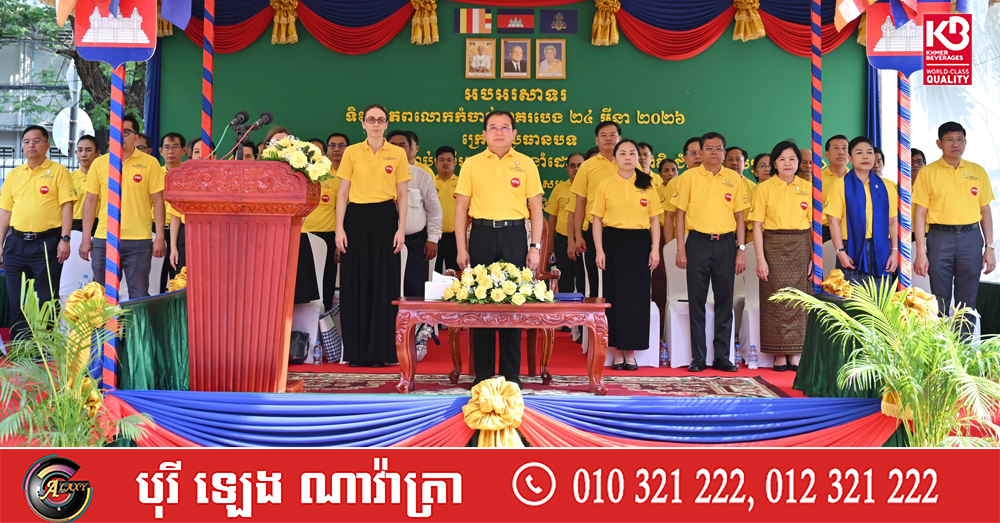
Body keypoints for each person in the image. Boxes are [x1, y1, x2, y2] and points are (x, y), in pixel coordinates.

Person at [455, 109, 543, 386]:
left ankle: (510, 374)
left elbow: (536, 209)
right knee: (480, 300)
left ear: (514, 133)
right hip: (481, 233)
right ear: (484, 134)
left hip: (515, 234)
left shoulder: (526, 163)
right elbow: (461, 209)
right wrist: (461, 248)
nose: (499, 132)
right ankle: (482, 373)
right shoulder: (471, 164)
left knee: (513, 300)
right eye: (493, 127)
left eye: (505, 127)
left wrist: (535, 246)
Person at [335, 104, 410, 367]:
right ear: (363, 124)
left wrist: (401, 228)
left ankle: (381, 353)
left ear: (386, 124)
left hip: (386, 219)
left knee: (383, 284)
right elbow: (342, 193)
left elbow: (403, 195)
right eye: (371, 119)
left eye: (380, 120)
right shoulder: (352, 152)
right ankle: (356, 353)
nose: (376, 124)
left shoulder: (397, 154)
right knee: (355, 283)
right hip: (355, 219)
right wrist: (339, 228)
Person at [672, 131, 749, 373]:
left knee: (725, 301)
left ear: (724, 153)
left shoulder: (734, 179)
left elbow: (740, 217)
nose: (714, 153)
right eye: (709, 148)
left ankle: (722, 357)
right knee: (697, 301)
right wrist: (681, 248)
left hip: (726, 244)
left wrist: (741, 250)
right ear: (701, 152)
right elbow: (680, 215)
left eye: (718, 149)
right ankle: (698, 357)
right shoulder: (688, 178)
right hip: (697, 242)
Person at [914, 121, 995, 331]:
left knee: (967, 299)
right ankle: (940, 345)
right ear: (939, 143)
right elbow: (920, 214)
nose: (955, 144)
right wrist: (921, 251)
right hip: (940, 237)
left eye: (960, 139)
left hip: (971, 237)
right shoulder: (928, 172)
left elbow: (985, 211)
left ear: (965, 142)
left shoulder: (978, 171)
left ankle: (963, 346)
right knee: (939, 297)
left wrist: (990, 247)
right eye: (949, 139)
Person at [0, 125, 76, 339]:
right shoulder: (14, 174)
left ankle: (45, 348)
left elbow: (67, 207)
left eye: (36, 141)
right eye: (26, 141)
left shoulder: (59, 171)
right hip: (15, 243)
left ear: (47, 145)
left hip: (46, 243)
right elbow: (5, 211)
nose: (31, 145)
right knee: (16, 301)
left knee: (46, 300)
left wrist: (65, 239)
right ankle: (21, 348)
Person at [592, 140, 662, 370]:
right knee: (614, 297)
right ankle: (616, 352)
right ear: (615, 158)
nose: (628, 157)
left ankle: (630, 352)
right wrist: (599, 250)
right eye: (623, 153)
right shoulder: (605, 184)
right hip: (613, 242)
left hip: (639, 243)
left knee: (637, 299)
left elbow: (654, 220)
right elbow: (597, 220)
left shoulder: (647, 184)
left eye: (632, 153)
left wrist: (654, 249)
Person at [80, 115, 166, 299]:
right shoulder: (100, 163)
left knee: (138, 295)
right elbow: (90, 202)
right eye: (116, 131)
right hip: (104, 238)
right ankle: (107, 321)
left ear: (136, 136)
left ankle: (135, 321)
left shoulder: (150, 163)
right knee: (102, 296)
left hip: (139, 240)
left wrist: (160, 236)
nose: (120, 136)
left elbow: (158, 202)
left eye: (126, 132)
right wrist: (86, 238)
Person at [750, 142, 812, 371]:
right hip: (773, 246)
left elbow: (814, 226)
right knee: (775, 300)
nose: (788, 163)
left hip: (800, 246)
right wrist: (760, 258)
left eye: (792, 159)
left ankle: (795, 352)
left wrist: (814, 257)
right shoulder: (763, 188)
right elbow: (757, 226)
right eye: (782, 159)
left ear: (798, 163)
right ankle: (778, 353)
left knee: (799, 300)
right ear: (774, 163)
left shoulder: (808, 188)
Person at [824, 136, 899, 286]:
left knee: (880, 296)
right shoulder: (840, 185)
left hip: (881, 248)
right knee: (851, 296)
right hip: (850, 248)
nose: (865, 156)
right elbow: (833, 222)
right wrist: (840, 252)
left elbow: (893, 221)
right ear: (850, 159)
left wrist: (895, 251)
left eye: (869, 152)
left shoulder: (887, 186)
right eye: (859, 152)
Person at [261, 127, 320, 306]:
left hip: (295, 235)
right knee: (267, 293)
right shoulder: (258, 173)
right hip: (266, 238)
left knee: (296, 296)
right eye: (276, 142)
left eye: (286, 143)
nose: (281, 146)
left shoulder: (303, 174)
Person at [387, 130, 442, 297]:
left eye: (402, 145)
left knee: (415, 290)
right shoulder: (375, 176)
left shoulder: (421, 176)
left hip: (415, 243)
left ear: (410, 149)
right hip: (384, 243)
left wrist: (432, 239)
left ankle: (415, 316)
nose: (398, 149)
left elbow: (434, 210)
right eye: (393, 145)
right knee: (387, 288)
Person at [571, 121, 620, 297]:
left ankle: (617, 315)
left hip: (623, 231)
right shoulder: (587, 166)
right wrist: (578, 235)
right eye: (603, 136)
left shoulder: (630, 164)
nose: (608, 139)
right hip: (593, 231)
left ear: (619, 138)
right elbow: (580, 203)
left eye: (612, 135)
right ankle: (595, 316)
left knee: (620, 281)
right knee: (594, 283)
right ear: (597, 140)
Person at [300, 133, 345, 311]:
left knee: (326, 283)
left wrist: (338, 244)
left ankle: (324, 319)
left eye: (319, 151)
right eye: (311, 151)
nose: (315, 154)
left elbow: (342, 211)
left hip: (327, 238)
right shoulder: (297, 177)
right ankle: (301, 322)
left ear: (324, 154)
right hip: (301, 237)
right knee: (302, 283)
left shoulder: (333, 179)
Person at [546, 152, 584, 297]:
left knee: (583, 281)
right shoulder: (559, 189)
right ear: (567, 168)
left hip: (583, 241)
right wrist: (550, 243)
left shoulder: (590, 189)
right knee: (564, 280)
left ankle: (583, 310)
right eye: (572, 166)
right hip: (562, 241)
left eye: (580, 165)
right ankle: (564, 309)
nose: (576, 169)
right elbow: (552, 217)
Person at [159, 131, 187, 292]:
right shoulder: (155, 173)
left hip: (179, 231)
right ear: (160, 151)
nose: (171, 151)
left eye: (175, 147)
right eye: (167, 147)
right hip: (157, 230)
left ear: (184, 150)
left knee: (177, 277)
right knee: (157, 279)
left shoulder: (189, 175)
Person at [434, 146, 461, 274]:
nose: (446, 163)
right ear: (436, 163)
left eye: (449, 160)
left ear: (455, 163)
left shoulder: (462, 183)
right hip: (433, 237)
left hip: (455, 237)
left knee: (455, 273)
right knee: (433, 272)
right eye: (442, 160)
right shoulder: (430, 181)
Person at [820, 135, 850, 242]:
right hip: (825, 231)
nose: (841, 152)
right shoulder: (816, 180)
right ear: (827, 154)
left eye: (845, 148)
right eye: (836, 148)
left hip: (851, 231)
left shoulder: (858, 179)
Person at [71, 135, 100, 233]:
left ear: (97, 153)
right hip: (75, 225)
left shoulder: (104, 177)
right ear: (76, 153)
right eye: (80, 150)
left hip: (99, 224)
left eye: (88, 150)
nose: (83, 154)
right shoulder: (69, 178)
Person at [726, 146, 755, 241]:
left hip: (746, 236)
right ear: (724, 162)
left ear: (745, 164)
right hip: (721, 235)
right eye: (730, 159)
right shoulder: (715, 183)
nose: (734, 163)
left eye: (738, 160)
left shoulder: (753, 187)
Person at [659, 158, 681, 245]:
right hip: (660, 232)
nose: (670, 174)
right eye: (666, 171)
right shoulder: (654, 192)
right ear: (660, 174)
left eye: (673, 170)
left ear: (678, 172)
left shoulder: (683, 190)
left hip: (680, 231)